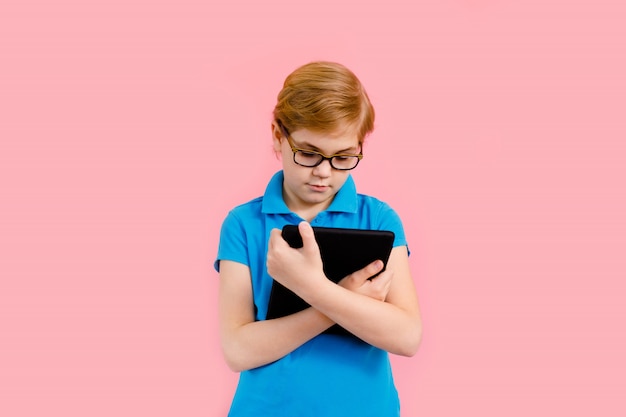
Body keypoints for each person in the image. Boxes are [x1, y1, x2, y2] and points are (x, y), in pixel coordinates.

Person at [215, 61, 422, 416]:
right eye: (308, 153)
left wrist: (312, 287)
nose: (323, 172)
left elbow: (406, 336)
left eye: (343, 157)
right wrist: (346, 301)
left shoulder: (379, 219)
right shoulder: (243, 224)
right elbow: (238, 350)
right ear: (279, 137)